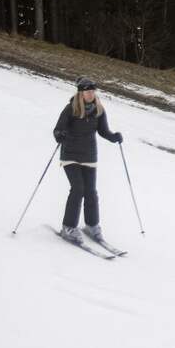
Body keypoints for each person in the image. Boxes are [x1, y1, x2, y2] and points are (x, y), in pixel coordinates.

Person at [52, 77, 123, 245]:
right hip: (70, 154)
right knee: (78, 189)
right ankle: (68, 227)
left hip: (89, 156)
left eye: (92, 91)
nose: (90, 94)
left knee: (91, 192)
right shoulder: (71, 108)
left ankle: (92, 225)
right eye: (87, 92)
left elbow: (103, 131)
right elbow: (58, 129)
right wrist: (59, 135)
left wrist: (114, 137)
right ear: (81, 93)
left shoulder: (99, 110)